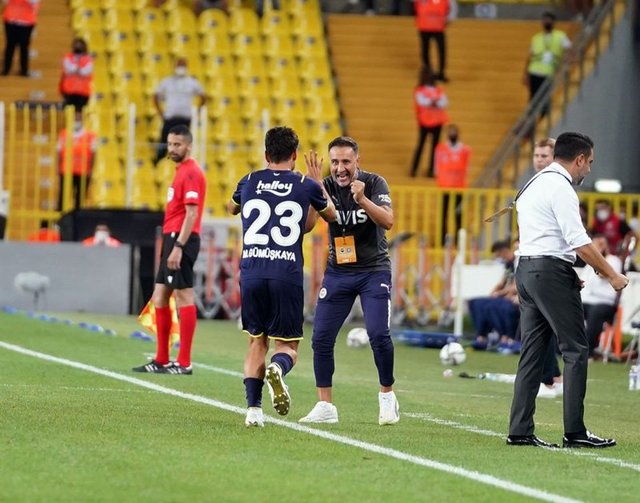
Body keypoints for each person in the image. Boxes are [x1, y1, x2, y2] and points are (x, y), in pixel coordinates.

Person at [507, 132, 628, 449]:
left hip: (528, 270)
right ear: (579, 159)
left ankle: (519, 430)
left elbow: (547, 236)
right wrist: (612, 274)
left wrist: (564, 272)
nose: (589, 169)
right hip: (549, 273)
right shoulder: (561, 188)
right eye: (589, 162)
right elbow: (578, 241)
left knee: (532, 353)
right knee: (575, 349)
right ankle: (575, 431)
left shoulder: (532, 184)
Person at [227, 126, 336, 428]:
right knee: (287, 347)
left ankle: (253, 410)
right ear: (294, 155)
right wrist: (317, 185)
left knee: (256, 342)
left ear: (266, 154)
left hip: (252, 272)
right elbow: (330, 216)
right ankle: (278, 367)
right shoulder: (305, 185)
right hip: (286, 273)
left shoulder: (249, 180)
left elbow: (232, 207)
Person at [299, 136, 400, 426]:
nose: (340, 168)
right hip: (338, 272)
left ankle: (387, 395)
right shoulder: (325, 185)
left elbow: (388, 221)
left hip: (373, 271)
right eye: (334, 162)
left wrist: (362, 200)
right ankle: (325, 405)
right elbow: (307, 227)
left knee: (378, 335)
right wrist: (314, 192)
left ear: (357, 161)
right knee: (321, 338)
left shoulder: (374, 183)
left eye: (346, 161)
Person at [133, 125, 206, 375]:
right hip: (172, 238)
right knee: (160, 297)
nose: (172, 148)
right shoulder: (181, 171)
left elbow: (192, 213)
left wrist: (178, 247)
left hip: (181, 240)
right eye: (170, 144)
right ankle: (162, 359)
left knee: (184, 296)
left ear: (188, 146)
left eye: (177, 144)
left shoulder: (191, 173)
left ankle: (184, 362)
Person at [530, 136, 564, 399]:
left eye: (544, 156)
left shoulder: (558, 186)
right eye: (537, 155)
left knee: (545, 324)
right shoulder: (534, 184)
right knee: (538, 324)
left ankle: (551, 378)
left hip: (550, 263)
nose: (539, 160)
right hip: (532, 261)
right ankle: (550, 377)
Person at [468, 240, 520, 352]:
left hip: (515, 297)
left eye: (498, 255)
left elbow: (515, 286)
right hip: (505, 295)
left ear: (503, 252)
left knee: (495, 306)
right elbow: (502, 282)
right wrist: (493, 293)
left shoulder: (519, 262)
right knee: (475, 303)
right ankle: (481, 335)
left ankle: (507, 336)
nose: (498, 258)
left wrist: (499, 294)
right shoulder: (508, 264)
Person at [154, 58, 206, 162]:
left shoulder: (192, 82)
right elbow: (155, 96)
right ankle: (158, 162)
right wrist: (160, 112)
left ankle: (183, 162)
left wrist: (197, 112)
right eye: (179, 65)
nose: (181, 68)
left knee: (183, 144)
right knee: (164, 142)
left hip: (185, 119)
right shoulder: (167, 82)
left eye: (183, 65)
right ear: (175, 67)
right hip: (169, 119)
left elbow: (203, 96)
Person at [523, 12, 571, 118]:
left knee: (545, 97)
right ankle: (531, 121)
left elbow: (568, 50)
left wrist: (566, 64)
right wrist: (525, 73)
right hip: (534, 71)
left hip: (549, 72)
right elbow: (530, 56)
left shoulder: (560, 36)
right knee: (533, 97)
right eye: (544, 20)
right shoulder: (537, 38)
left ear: (553, 22)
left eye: (548, 20)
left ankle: (544, 117)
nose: (546, 22)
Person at [581, 234, 622, 359]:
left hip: (604, 302)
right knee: (566, 310)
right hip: (585, 300)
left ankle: (587, 351)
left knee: (596, 313)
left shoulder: (613, 260)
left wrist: (597, 256)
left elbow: (604, 274)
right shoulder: (588, 263)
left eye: (601, 244)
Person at [410, 66, 449, 178]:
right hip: (425, 121)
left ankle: (432, 170)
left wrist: (433, 101)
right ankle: (414, 169)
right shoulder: (420, 90)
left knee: (435, 148)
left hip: (437, 121)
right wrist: (434, 101)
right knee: (421, 145)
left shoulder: (438, 90)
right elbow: (422, 102)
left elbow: (444, 102)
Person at [434, 123, 470, 243]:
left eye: (454, 132)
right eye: (450, 132)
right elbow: (437, 167)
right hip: (445, 186)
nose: (452, 134)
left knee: (458, 214)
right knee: (443, 214)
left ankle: (458, 241)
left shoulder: (465, 150)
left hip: (459, 187)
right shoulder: (441, 148)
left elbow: (466, 168)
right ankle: (442, 240)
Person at [57, 111, 97, 211]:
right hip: (66, 171)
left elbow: (93, 154)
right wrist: (58, 169)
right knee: (63, 198)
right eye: (75, 118)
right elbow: (59, 152)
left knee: (80, 199)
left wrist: (91, 170)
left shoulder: (90, 136)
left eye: (79, 118)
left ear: (83, 119)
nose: (77, 120)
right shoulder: (64, 134)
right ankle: (61, 217)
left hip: (83, 171)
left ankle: (77, 217)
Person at [414, 0, 457, 82]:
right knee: (425, 50)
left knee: (441, 50)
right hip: (425, 26)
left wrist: (450, 18)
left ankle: (440, 73)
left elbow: (453, 6)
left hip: (437, 26)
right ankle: (429, 73)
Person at [2, 0, 40, 77]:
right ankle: (6, 69)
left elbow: (33, 2)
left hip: (25, 22)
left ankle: (23, 70)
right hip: (11, 20)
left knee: (23, 47)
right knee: (10, 46)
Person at [59, 37, 93, 112]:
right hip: (68, 90)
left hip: (83, 91)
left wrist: (77, 69)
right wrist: (78, 68)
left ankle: (78, 119)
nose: (78, 47)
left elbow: (86, 72)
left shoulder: (88, 59)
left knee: (80, 110)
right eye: (77, 45)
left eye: (80, 45)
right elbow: (68, 69)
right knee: (68, 110)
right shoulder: (68, 57)